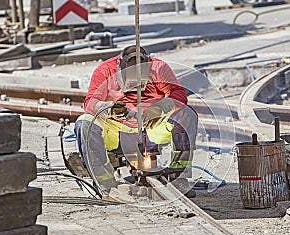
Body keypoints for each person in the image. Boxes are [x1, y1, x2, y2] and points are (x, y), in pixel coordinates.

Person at [74, 45, 198, 196]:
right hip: (116, 131)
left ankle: (179, 178)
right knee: (85, 123)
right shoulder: (105, 70)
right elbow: (90, 103)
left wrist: (160, 108)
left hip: (150, 129)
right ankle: (104, 183)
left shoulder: (159, 68)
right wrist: (108, 108)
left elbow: (178, 94)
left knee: (186, 114)